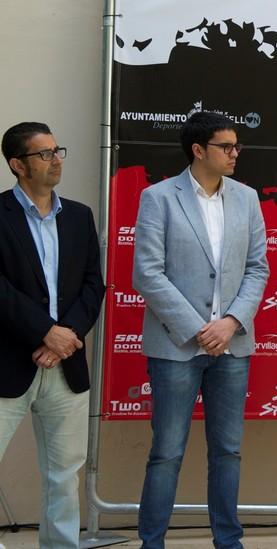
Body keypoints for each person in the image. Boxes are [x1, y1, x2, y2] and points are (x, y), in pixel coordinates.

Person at [133, 111, 269, 549]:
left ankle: (228, 541)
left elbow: (257, 268)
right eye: (225, 147)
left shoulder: (247, 198)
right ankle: (152, 543)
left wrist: (230, 323)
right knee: (166, 453)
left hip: (232, 346)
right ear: (197, 150)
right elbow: (148, 273)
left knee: (228, 451)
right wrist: (197, 328)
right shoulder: (158, 198)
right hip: (176, 347)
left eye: (236, 146)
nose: (235, 153)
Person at [0, 122, 105, 549]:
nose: (56, 160)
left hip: (66, 366)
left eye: (57, 150)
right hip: (8, 362)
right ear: (17, 165)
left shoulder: (79, 216)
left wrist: (66, 337)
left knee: (64, 475)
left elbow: (93, 285)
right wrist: (45, 332)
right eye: (44, 154)